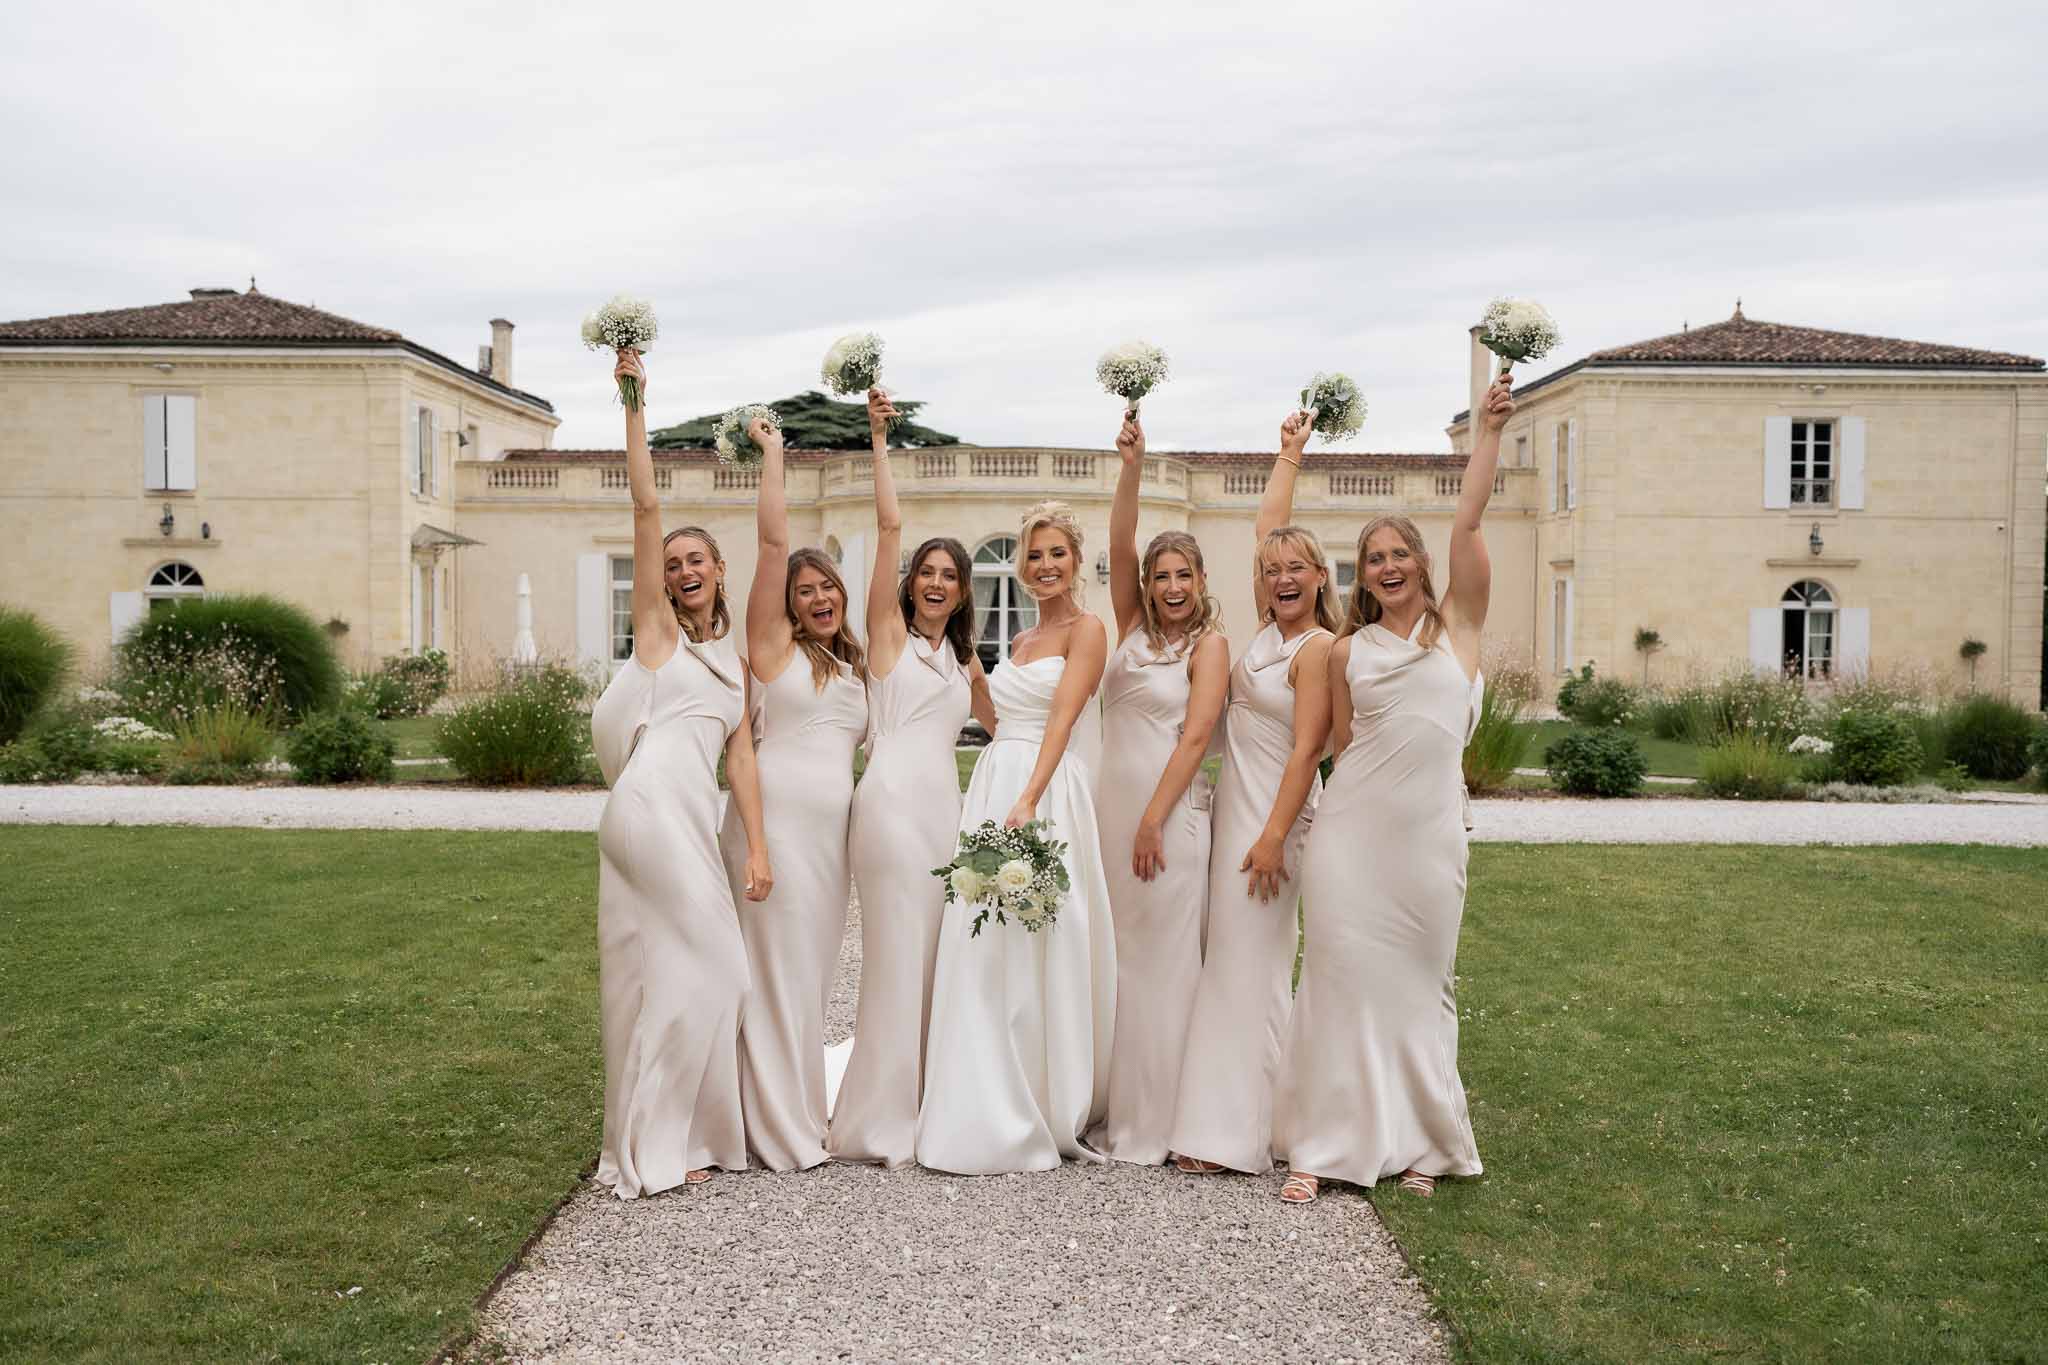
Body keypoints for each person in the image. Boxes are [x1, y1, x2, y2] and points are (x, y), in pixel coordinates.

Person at [1273, 373, 1516, 1204]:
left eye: (1398, 553)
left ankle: (1424, 1144)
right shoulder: (1345, 652)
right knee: (1337, 978)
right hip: (1350, 834)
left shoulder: (1461, 629)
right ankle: (1320, 1143)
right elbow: (1339, 747)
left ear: (1418, 561)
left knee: (1421, 985)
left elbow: (1471, 520)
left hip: (1428, 840)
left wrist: (1486, 430)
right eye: (1373, 559)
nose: (1386, 566)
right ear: (1364, 574)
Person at [589, 348, 771, 1198]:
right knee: (719, 964)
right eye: (673, 563)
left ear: (720, 571)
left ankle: (675, 1134)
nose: (685, 569)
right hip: (647, 804)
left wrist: (759, 850)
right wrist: (634, 402)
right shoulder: (657, 639)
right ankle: (655, 1148)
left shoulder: (731, 664)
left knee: (675, 966)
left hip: (691, 822)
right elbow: (646, 502)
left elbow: (741, 762)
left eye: (698, 560)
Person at [915, 501, 1117, 1174]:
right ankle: (982, 1080)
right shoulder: (1022, 642)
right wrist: (967, 670)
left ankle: (1041, 1089)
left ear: (1075, 558)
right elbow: (998, 716)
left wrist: (1029, 797)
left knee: (1042, 930)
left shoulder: (1088, 631)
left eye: (1055, 552)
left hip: (1045, 791)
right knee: (986, 934)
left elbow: (1061, 718)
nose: (1044, 565)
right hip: (997, 783)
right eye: (1033, 555)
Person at [830, 388, 995, 1168]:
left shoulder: (964, 659)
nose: (934, 582)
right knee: (896, 951)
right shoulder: (889, 636)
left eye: (948, 576)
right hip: (891, 806)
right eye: (926, 572)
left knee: (936, 952)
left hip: (946, 811)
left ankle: (932, 1096)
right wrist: (877, 439)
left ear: (963, 592)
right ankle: (882, 1117)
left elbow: (1006, 727)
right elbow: (888, 525)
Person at [1167, 412, 1335, 1177]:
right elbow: (1267, 528)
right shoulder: (1268, 629)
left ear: (1322, 576)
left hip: (1274, 822)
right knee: (1230, 964)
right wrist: (1288, 456)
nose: (1282, 576)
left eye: (1298, 567)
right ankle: (1239, 1122)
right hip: (1236, 809)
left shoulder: (1319, 647)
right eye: (1273, 569)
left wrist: (1272, 835)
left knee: (1252, 969)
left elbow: (1307, 750)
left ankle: (1231, 1138)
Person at [719, 413, 868, 1172]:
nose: (816, 597)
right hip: (769, 830)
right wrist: (774, 454)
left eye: (826, 587)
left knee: (806, 975)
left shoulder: (855, 670)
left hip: (827, 849)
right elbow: (773, 544)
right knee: (772, 972)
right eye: (803, 590)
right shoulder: (773, 649)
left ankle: (800, 1105)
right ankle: (777, 1127)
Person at [1090, 413, 1229, 1164]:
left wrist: (1152, 819)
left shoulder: (1211, 646)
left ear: (1201, 581)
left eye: (1183, 575)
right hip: (1111, 810)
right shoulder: (1130, 629)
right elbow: (1118, 544)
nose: (1171, 586)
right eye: (1160, 575)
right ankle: (1112, 1101)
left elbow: (1197, 737)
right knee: (1117, 954)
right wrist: (1131, 468)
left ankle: (1166, 1120)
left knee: (1166, 961)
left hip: (1166, 819)